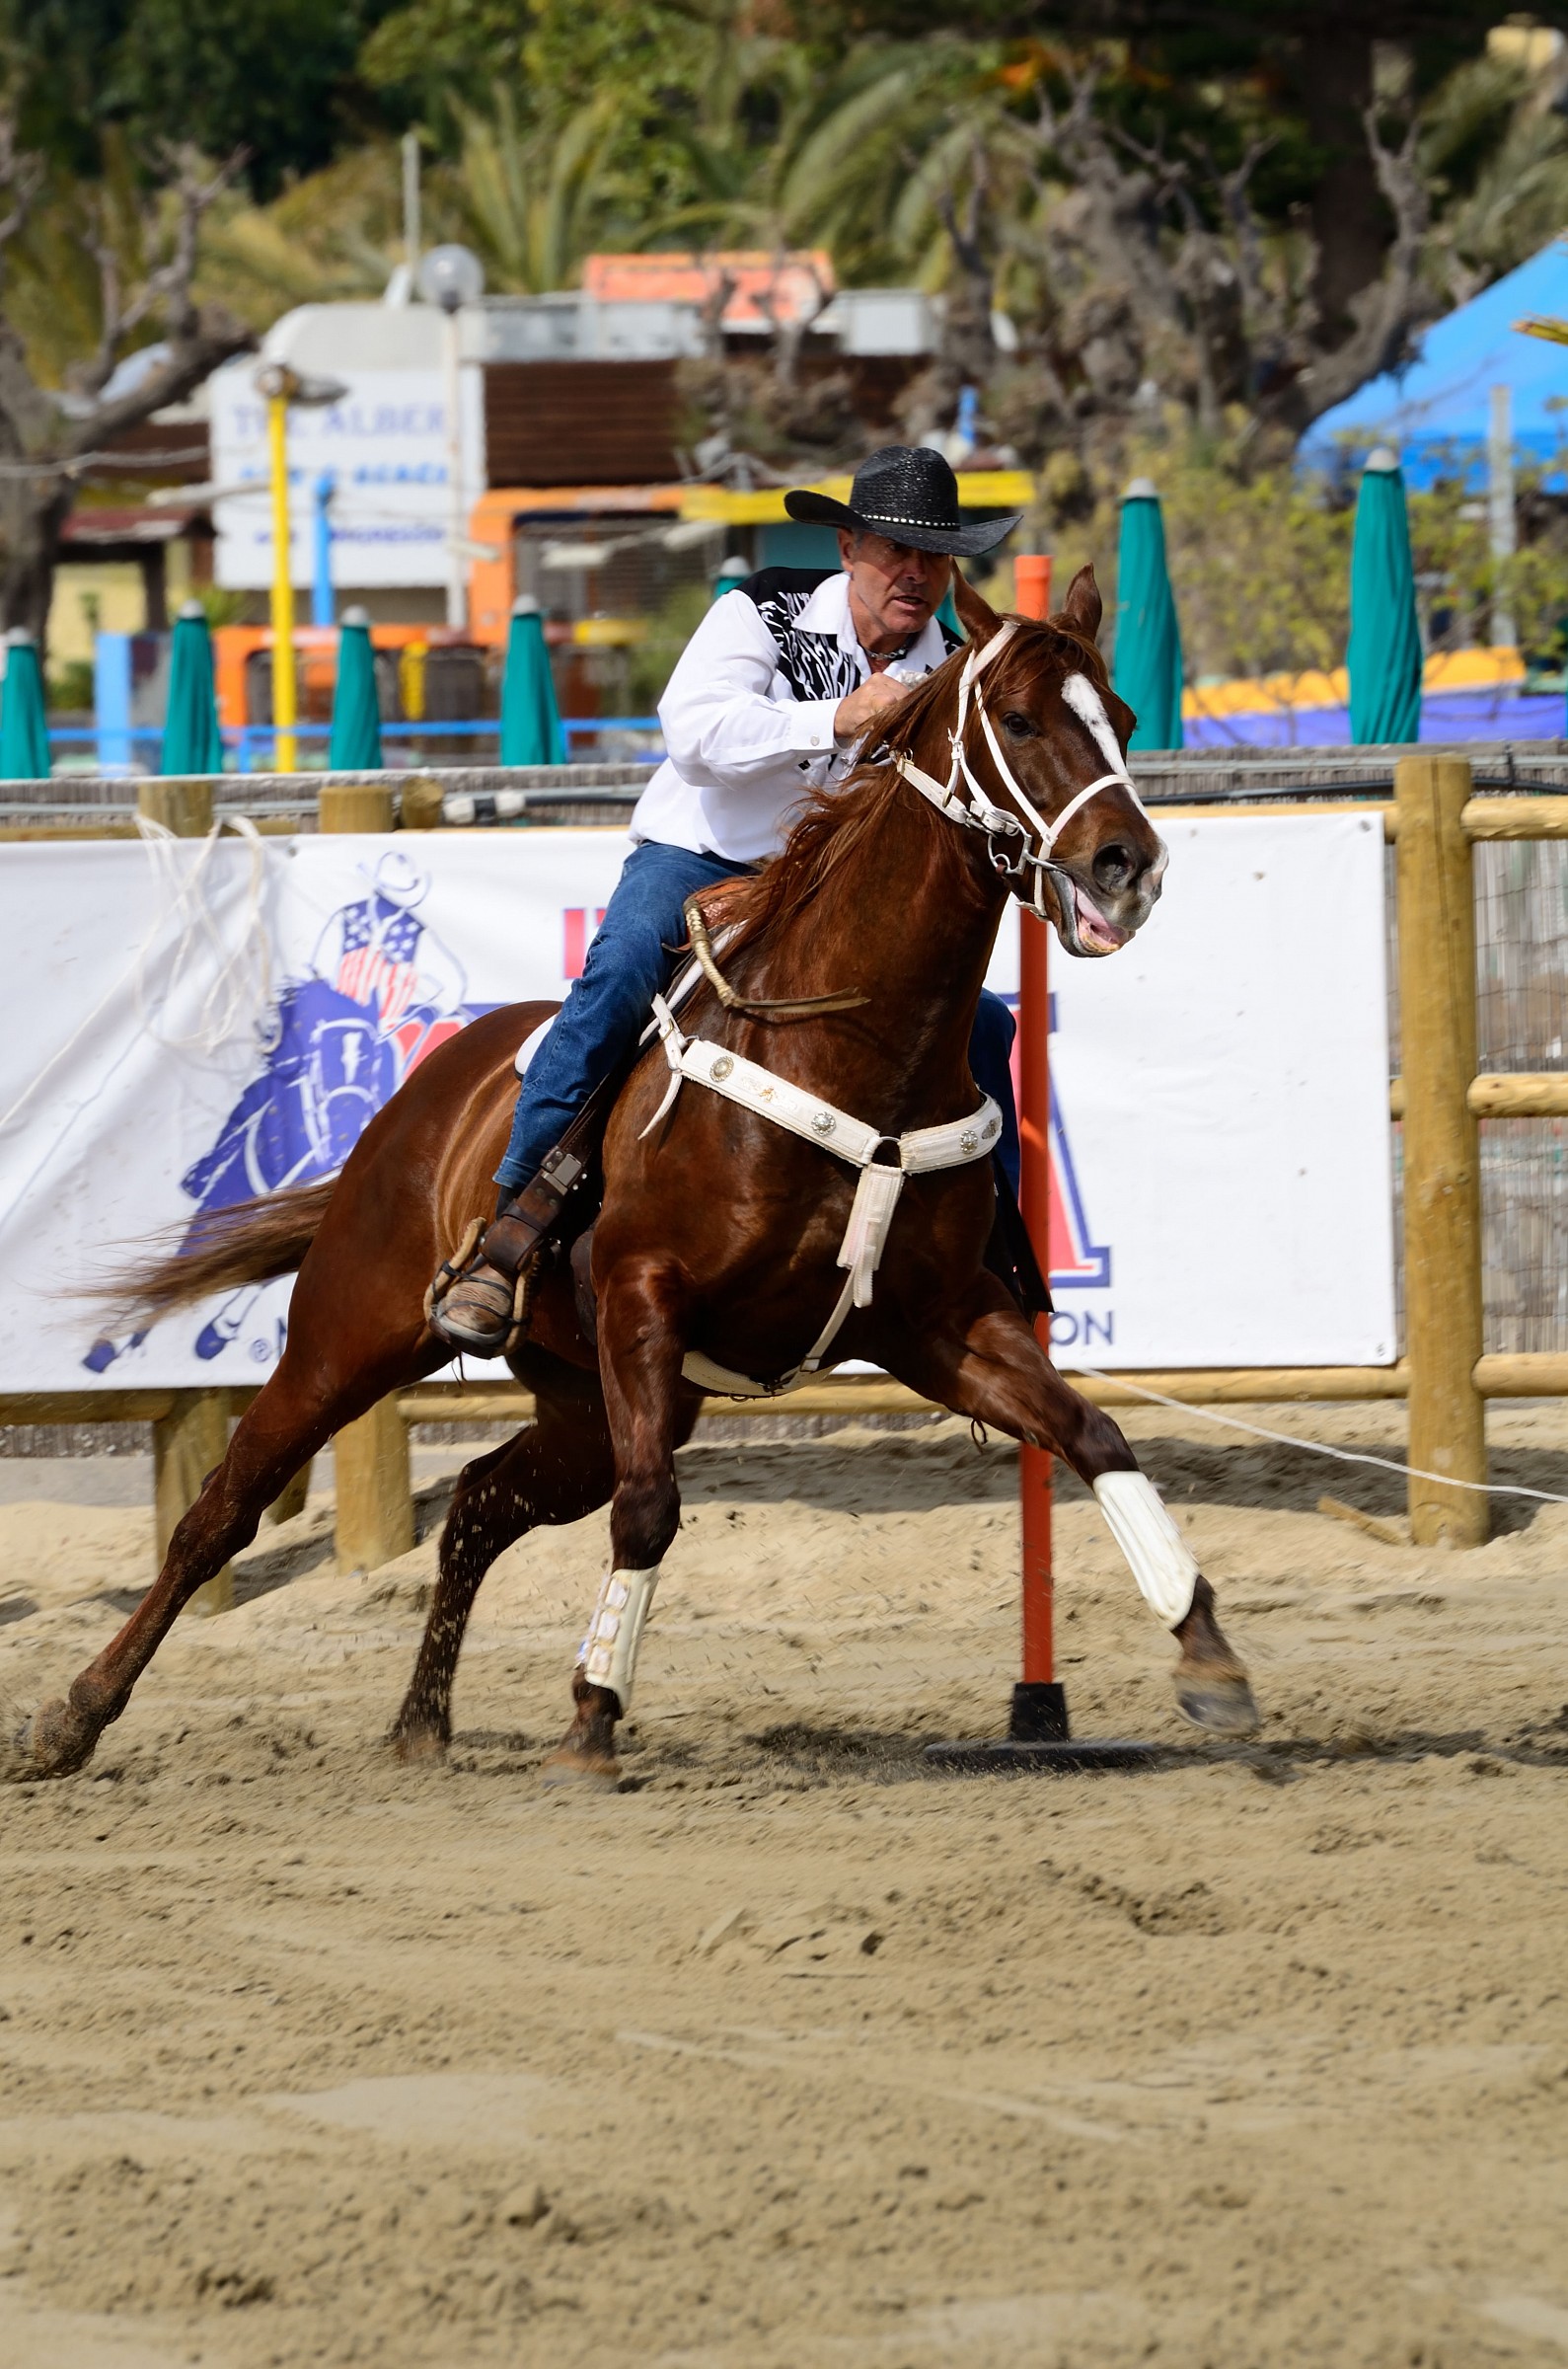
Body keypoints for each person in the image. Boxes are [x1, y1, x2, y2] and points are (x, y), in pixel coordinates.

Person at [431, 444, 1024, 1353]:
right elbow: (694, 732)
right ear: (846, 547)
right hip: (699, 860)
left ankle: (995, 1257)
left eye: (934, 555)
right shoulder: (760, 606)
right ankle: (510, 1229)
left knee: (978, 1023)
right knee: (624, 970)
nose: (915, 573)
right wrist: (832, 717)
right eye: (894, 550)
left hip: (828, 902)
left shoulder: (955, 668)